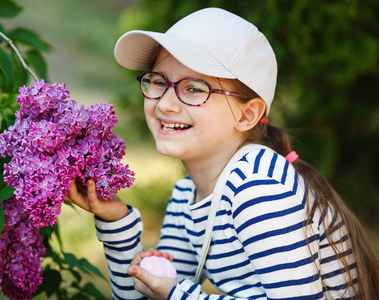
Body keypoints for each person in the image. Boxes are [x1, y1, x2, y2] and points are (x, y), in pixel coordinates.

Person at [65, 7, 379, 299]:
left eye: (194, 89)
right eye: (159, 81)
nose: (164, 104)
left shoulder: (257, 188)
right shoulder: (188, 193)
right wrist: (117, 221)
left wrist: (178, 294)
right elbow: (145, 295)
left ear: (247, 115)